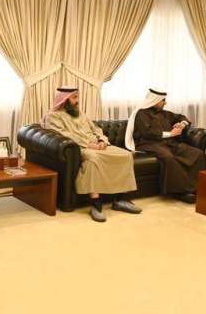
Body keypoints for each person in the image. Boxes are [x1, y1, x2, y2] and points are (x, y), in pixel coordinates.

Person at [43, 86, 140, 222]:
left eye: (77, 97)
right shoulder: (53, 117)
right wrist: (89, 145)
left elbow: (96, 128)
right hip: (81, 148)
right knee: (93, 160)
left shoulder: (80, 113)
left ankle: (120, 200)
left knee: (126, 155)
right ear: (64, 99)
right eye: (74, 97)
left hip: (98, 145)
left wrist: (102, 140)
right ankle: (96, 204)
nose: (77, 100)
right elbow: (64, 135)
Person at [126, 88, 205, 203]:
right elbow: (147, 133)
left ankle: (196, 187)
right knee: (168, 157)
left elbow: (181, 117)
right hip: (148, 143)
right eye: (163, 100)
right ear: (155, 100)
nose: (165, 103)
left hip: (169, 143)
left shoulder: (165, 113)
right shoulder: (141, 114)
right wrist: (170, 134)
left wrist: (182, 124)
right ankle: (180, 192)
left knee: (198, 154)